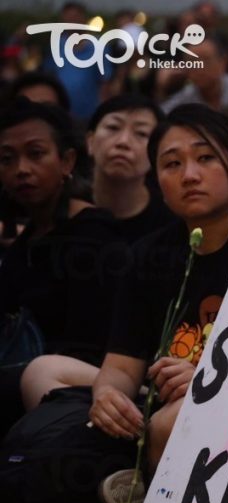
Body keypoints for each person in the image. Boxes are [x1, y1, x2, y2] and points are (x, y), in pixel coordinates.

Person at [18, 104, 228, 503]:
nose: (190, 175)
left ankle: (136, 484)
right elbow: (122, 366)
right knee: (42, 371)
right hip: (161, 396)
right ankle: (125, 473)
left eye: (205, 158)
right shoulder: (147, 254)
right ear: (159, 182)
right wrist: (108, 396)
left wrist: (212, 379)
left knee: (171, 420)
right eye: (172, 164)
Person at [0, 99, 123, 433]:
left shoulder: (95, 237)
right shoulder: (24, 244)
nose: (21, 169)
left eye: (36, 154)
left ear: (67, 160)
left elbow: (95, 348)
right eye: (7, 159)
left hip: (82, 396)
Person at [85, 94, 174, 242]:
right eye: (113, 127)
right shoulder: (64, 210)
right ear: (90, 141)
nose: (123, 142)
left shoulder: (172, 222)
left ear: (157, 153)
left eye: (141, 133)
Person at [160, 38, 228, 113]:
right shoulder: (182, 102)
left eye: (206, 61)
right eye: (192, 62)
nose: (199, 68)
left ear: (223, 62)